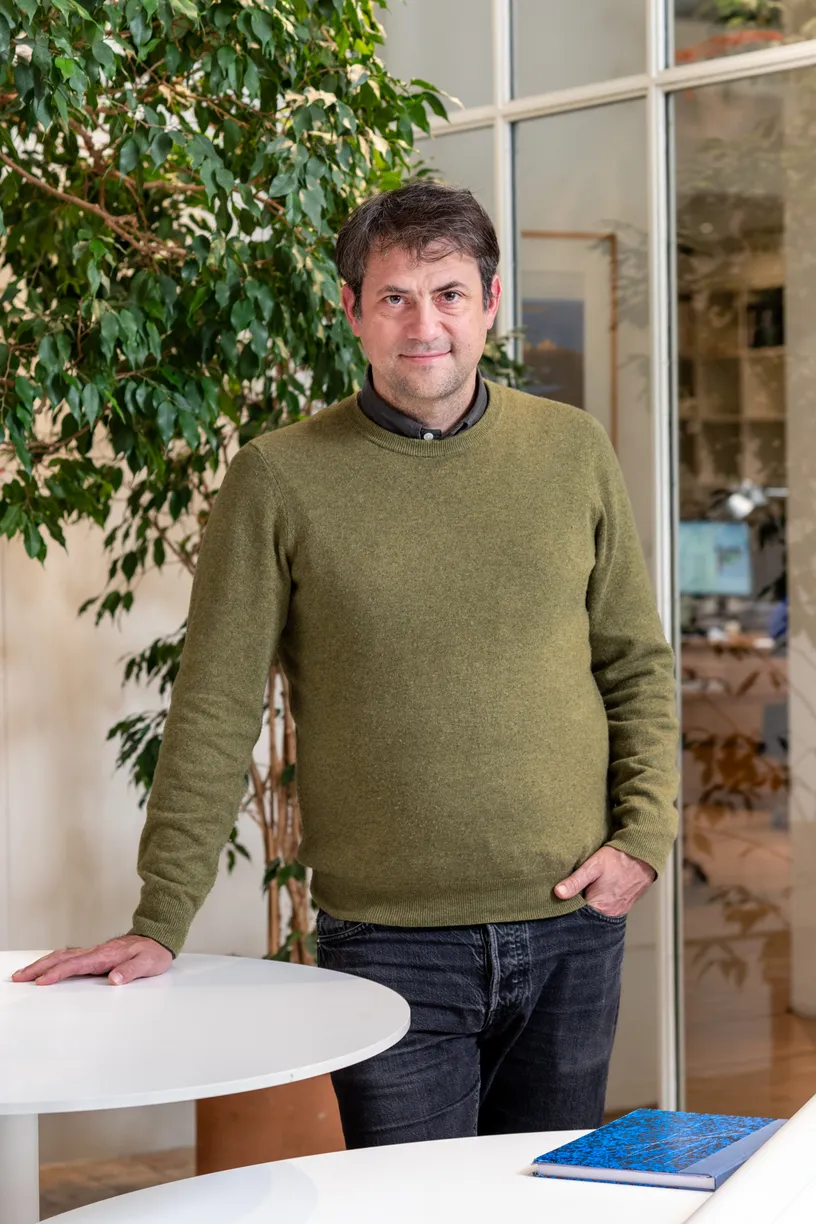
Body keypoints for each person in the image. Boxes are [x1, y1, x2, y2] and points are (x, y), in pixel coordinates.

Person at [14, 181, 679, 1144]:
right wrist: (162, 919)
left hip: (575, 924)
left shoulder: (571, 450)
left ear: (490, 304)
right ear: (351, 311)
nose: (425, 325)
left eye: (449, 294)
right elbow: (214, 705)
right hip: (392, 947)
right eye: (395, 297)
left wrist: (643, 839)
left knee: (553, 1205)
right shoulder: (279, 476)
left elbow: (635, 665)